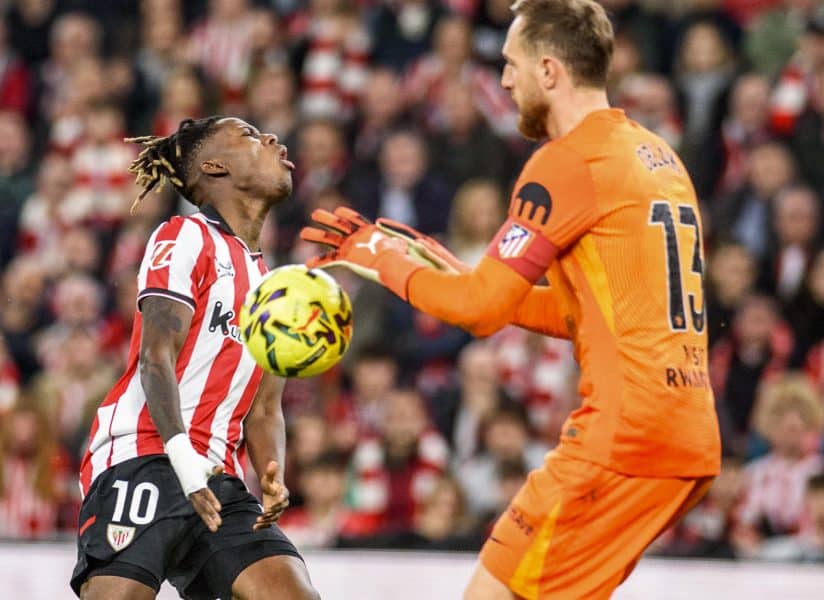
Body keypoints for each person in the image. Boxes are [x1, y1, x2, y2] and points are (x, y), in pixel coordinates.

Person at [301, 0, 720, 597]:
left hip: (620, 439)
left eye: (510, 65)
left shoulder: (566, 162)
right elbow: (588, 318)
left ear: (549, 71)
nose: (503, 81)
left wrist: (378, 257)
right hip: (687, 437)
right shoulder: (658, 157)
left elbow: (479, 311)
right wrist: (465, 275)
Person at [72, 116, 319, 600]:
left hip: (219, 478)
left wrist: (272, 470)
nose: (271, 138)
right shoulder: (183, 236)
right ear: (213, 166)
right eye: (249, 134)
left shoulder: (273, 285)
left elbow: (266, 408)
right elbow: (155, 356)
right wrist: (181, 457)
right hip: (146, 455)